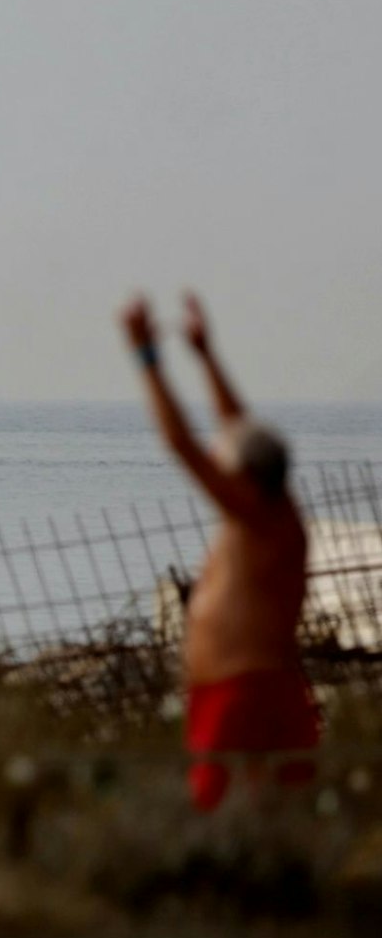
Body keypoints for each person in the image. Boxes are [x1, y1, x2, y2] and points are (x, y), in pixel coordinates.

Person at [120, 292, 316, 811]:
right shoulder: (273, 510)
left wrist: (147, 359)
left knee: (221, 815)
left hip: (242, 697)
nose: (219, 465)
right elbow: (237, 426)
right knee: (279, 814)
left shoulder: (254, 516)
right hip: (242, 692)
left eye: (227, 464)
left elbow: (180, 441)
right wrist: (205, 355)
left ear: (247, 481)